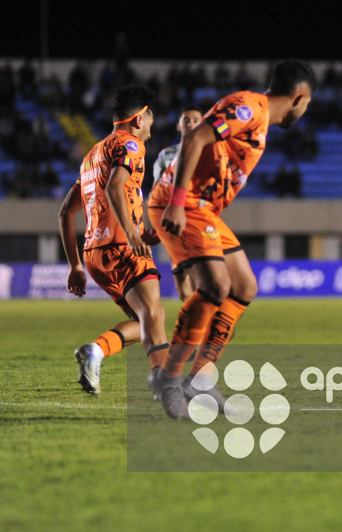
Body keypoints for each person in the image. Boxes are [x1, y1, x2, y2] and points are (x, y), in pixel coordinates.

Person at [151, 59, 315, 419]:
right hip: (185, 204)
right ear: (300, 98)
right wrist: (176, 203)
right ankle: (169, 377)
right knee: (215, 286)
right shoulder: (249, 107)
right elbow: (194, 138)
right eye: (306, 106)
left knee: (244, 287)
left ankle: (200, 378)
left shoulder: (259, 120)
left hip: (205, 211)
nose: (304, 113)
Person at [58, 84, 169, 397]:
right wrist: (133, 235)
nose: (151, 127)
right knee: (155, 315)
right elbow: (114, 188)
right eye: (149, 119)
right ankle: (165, 384)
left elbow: (66, 212)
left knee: (145, 319)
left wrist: (75, 266)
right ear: (138, 119)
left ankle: (95, 351)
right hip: (122, 246)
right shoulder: (131, 145)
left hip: (95, 254)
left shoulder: (93, 155)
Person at [147, 106, 204, 302]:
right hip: (173, 220)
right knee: (181, 279)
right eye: (186, 120)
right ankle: (194, 318)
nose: (190, 123)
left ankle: (201, 322)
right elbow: (156, 191)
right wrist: (155, 225)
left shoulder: (210, 152)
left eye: (195, 120)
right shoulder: (167, 155)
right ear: (179, 125)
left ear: (202, 124)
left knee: (203, 273)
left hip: (198, 217)